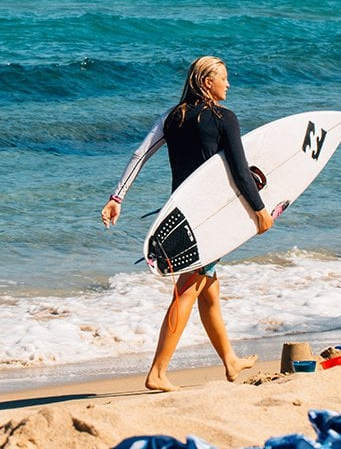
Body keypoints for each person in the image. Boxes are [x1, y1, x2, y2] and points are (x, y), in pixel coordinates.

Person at [101, 56, 273, 392]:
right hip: (209, 220)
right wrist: (259, 209)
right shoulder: (225, 119)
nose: (229, 84)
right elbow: (241, 171)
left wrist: (116, 198)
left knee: (209, 287)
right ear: (207, 81)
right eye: (223, 78)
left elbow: (140, 155)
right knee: (187, 289)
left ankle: (230, 360)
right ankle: (158, 372)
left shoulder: (172, 117)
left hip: (179, 215)